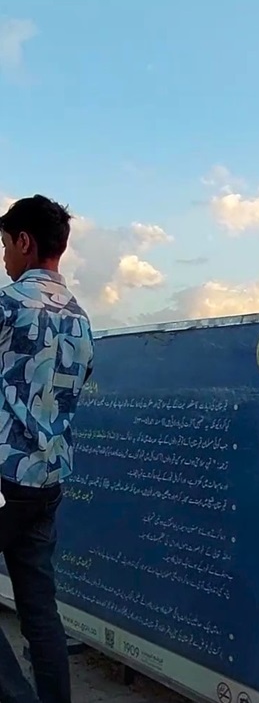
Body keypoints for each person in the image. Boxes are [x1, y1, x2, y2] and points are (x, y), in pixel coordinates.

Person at [0, 195, 94, 703]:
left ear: (24, 242)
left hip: (4, 478)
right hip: (47, 481)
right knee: (39, 608)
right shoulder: (80, 319)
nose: (4, 258)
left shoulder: (6, 306)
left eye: (4, 245)